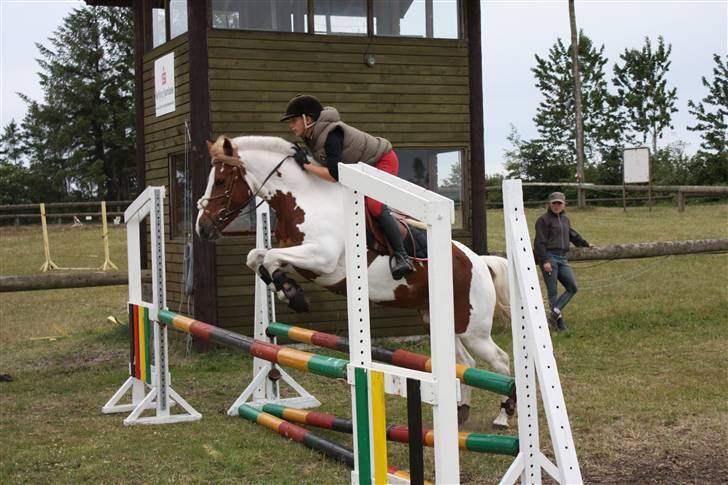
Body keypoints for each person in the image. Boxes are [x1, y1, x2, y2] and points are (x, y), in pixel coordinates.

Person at [281, 94, 415, 280]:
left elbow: (335, 175)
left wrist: (305, 166)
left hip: (382, 161)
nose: (291, 126)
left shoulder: (331, 134)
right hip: (361, 169)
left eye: (294, 120)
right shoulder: (314, 136)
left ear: (308, 119)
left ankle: (402, 256)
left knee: (374, 206)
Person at [533, 191, 592, 331]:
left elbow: (572, 234)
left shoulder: (565, 219)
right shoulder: (543, 220)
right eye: (554, 203)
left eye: (559, 203)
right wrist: (545, 260)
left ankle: (553, 315)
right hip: (550, 257)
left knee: (572, 287)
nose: (557, 206)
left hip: (562, 258)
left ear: (564, 204)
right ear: (550, 204)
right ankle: (559, 325)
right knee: (552, 293)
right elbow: (539, 243)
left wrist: (585, 244)